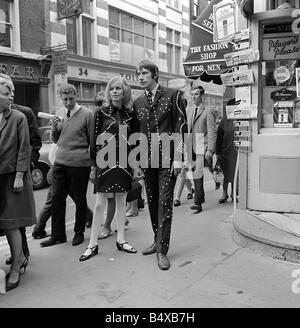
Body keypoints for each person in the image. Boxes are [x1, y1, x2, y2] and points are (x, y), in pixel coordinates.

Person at [132, 60, 187, 270]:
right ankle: (157, 240)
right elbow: (136, 135)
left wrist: (180, 157)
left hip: (168, 159)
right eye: (138, 74)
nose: (140, 77)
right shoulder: (137, 103)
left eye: (144, 73)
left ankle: (162, 251)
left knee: (164, 203)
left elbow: (182, 127)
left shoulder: (173, 96)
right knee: (153, 203)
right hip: (147, 159)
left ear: (155, 75)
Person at [79, 76, 137, 262]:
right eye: (111, 88)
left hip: (124, 162)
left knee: (121, 202)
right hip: (105, 161)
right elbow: (94, 140)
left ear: (124, 91)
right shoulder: (100, 112)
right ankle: (92, 245)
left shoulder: (130, 114)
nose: (114, 91)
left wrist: (136, 166)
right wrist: (94, 166)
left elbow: (135, 140)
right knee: (99, 204)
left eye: (118, 88)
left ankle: (121, 240)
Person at [40, 84, 93, 247]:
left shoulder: (87, 114)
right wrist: (54, 127)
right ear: (61, 99)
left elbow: (92, 141)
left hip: (80, 163)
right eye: (65, 99)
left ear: (76, 96)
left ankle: (79, 232)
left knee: (79, 199)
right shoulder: (59, 113)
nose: (68, 102)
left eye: (71, 99)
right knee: (56, 198)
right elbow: (56, 139)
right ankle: (58, 235)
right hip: (60, 162)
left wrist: (94, 166)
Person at [0, 74, 42, 266]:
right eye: (7, 92)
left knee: (15, 221)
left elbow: (31, 145)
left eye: (12, 92)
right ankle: (19, 256)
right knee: (8, 222)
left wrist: (23, 170)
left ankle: (21, 257)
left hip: (15, 173)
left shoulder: (22, 114)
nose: (11, 96)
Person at [31, 167, 94, 239]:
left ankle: (38, 229)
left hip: (56, 172)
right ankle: (38, 229)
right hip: (62, 173)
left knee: (52, 203)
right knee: (77, 199)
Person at [188, 85, 217, 213]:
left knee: (198, 173)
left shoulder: (208, 110)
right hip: (191, 146)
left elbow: (212, 131)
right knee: (195, 173)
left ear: (202, 95)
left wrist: (210, 150)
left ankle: (198, 202)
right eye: (192, 94)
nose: (194, 96)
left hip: (202, 145)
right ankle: (200, 198)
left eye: (196, 94)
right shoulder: (189, 110)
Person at [216, 99, 238, 203]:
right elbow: (218, 138)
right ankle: (224, 193)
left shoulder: (239, 119)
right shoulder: (223, 121)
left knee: (235, 173)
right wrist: (217, 153)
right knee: (225, 174)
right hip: (225, 152)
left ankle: (234, 193)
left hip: (236, 152)